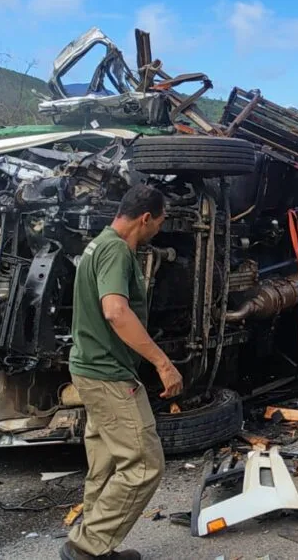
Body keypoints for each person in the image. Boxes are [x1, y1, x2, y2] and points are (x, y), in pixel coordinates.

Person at [62, 184, 183, 560]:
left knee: (108, 462)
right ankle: (86, 548)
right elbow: (115, 311)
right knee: (145, 464)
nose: (158, 231)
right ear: (145, 218)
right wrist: (163, 363)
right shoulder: (116, 251)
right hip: (107, 375)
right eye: (159, 223)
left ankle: (96, 545)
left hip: (89, 369)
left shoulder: (98, 244)